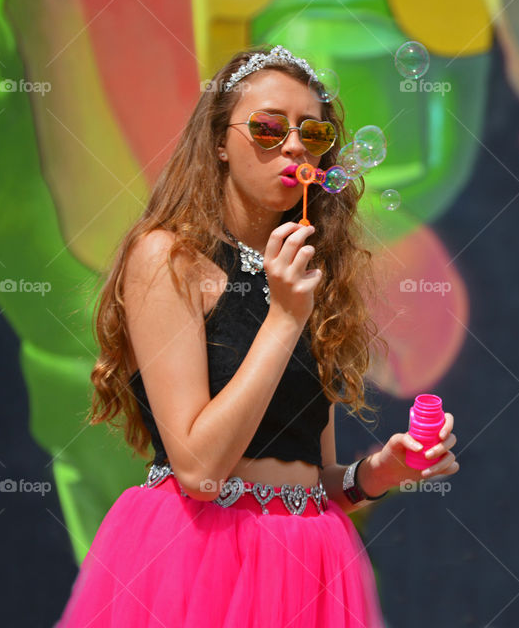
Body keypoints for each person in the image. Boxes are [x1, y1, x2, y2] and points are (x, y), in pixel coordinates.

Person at [55, 44, 459, 627]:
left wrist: (380, 472)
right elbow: (199, 472)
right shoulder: (169, 258)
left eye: (312, 133)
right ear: (219, 142)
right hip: (197, 560)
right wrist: (285, 317)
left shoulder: (305, 274)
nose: (293, 145)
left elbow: (310, 479)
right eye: (268, 129)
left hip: (308, 566)